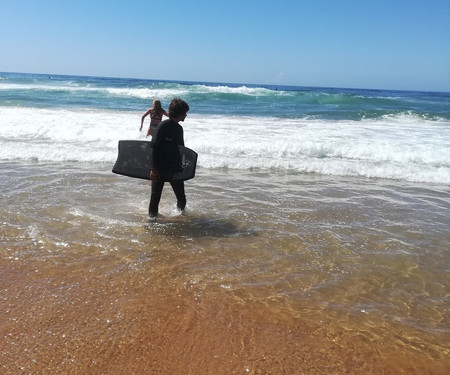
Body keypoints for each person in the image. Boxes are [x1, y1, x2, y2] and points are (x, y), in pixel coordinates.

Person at [148, 98, 190, 217]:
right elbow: (153, 147)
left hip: (174, 168)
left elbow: (181, 149)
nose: (186, 115)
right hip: (160, 167)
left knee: (182, 199)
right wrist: (153, 168)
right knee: (155, 197)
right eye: (185, 113)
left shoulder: (179, 129)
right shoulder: (163, 126)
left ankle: (180, 219)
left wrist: (184, 168)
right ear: (179, 114)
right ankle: (152, 223)